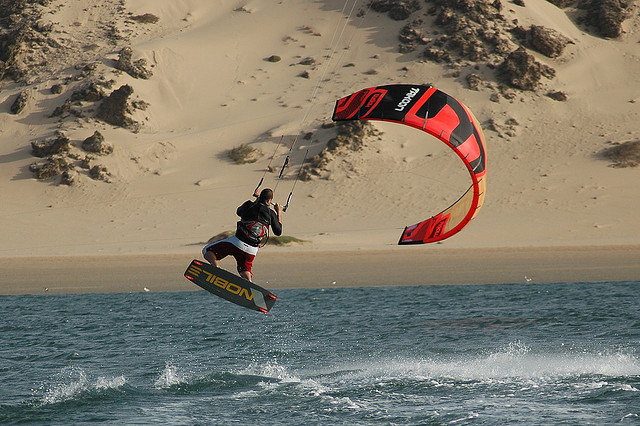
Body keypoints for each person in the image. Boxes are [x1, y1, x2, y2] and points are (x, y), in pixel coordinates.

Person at [202, 188, 282, 282]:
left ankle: (216, 268)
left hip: (237, 243)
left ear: (260, 197)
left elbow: (238, 212)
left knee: (207, 251)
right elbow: (278, 232)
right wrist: (279, 212)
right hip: (252, 250)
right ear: (269, 201)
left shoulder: (248, 205)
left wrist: (255, 201)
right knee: (244, 269)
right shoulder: (271, 214)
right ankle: (249, 282)